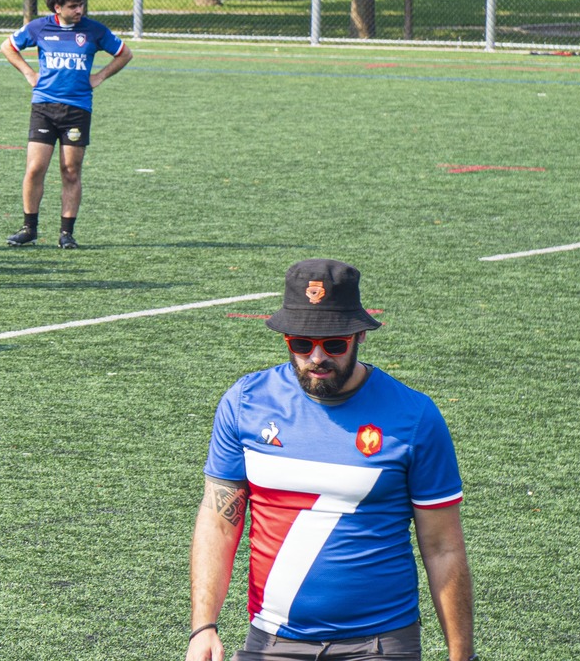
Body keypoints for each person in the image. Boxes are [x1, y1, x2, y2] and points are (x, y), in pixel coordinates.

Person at [189, 259, 472, 661]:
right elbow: (219, 521)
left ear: (359, 336)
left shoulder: (415, 418)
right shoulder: (245, 403)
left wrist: (462, 656)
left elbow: (443, 547)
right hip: (271, 642)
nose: (317, 357)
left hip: (380, 646)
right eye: (302, 344)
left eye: (334, 344)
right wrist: (203, 626)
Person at [0, 0, 132, 249]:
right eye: (73, 6)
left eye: (81, 5)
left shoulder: (94, 30)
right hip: (44, 107)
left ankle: (66, 233)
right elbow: (8, 46)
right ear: (57, 7)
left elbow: (124, 54)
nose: (79, 10)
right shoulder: (39, 28)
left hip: (77, 109)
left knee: (70, 170)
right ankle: (29, 228)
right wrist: (28, 72)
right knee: (35, 168)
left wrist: (101, 76)